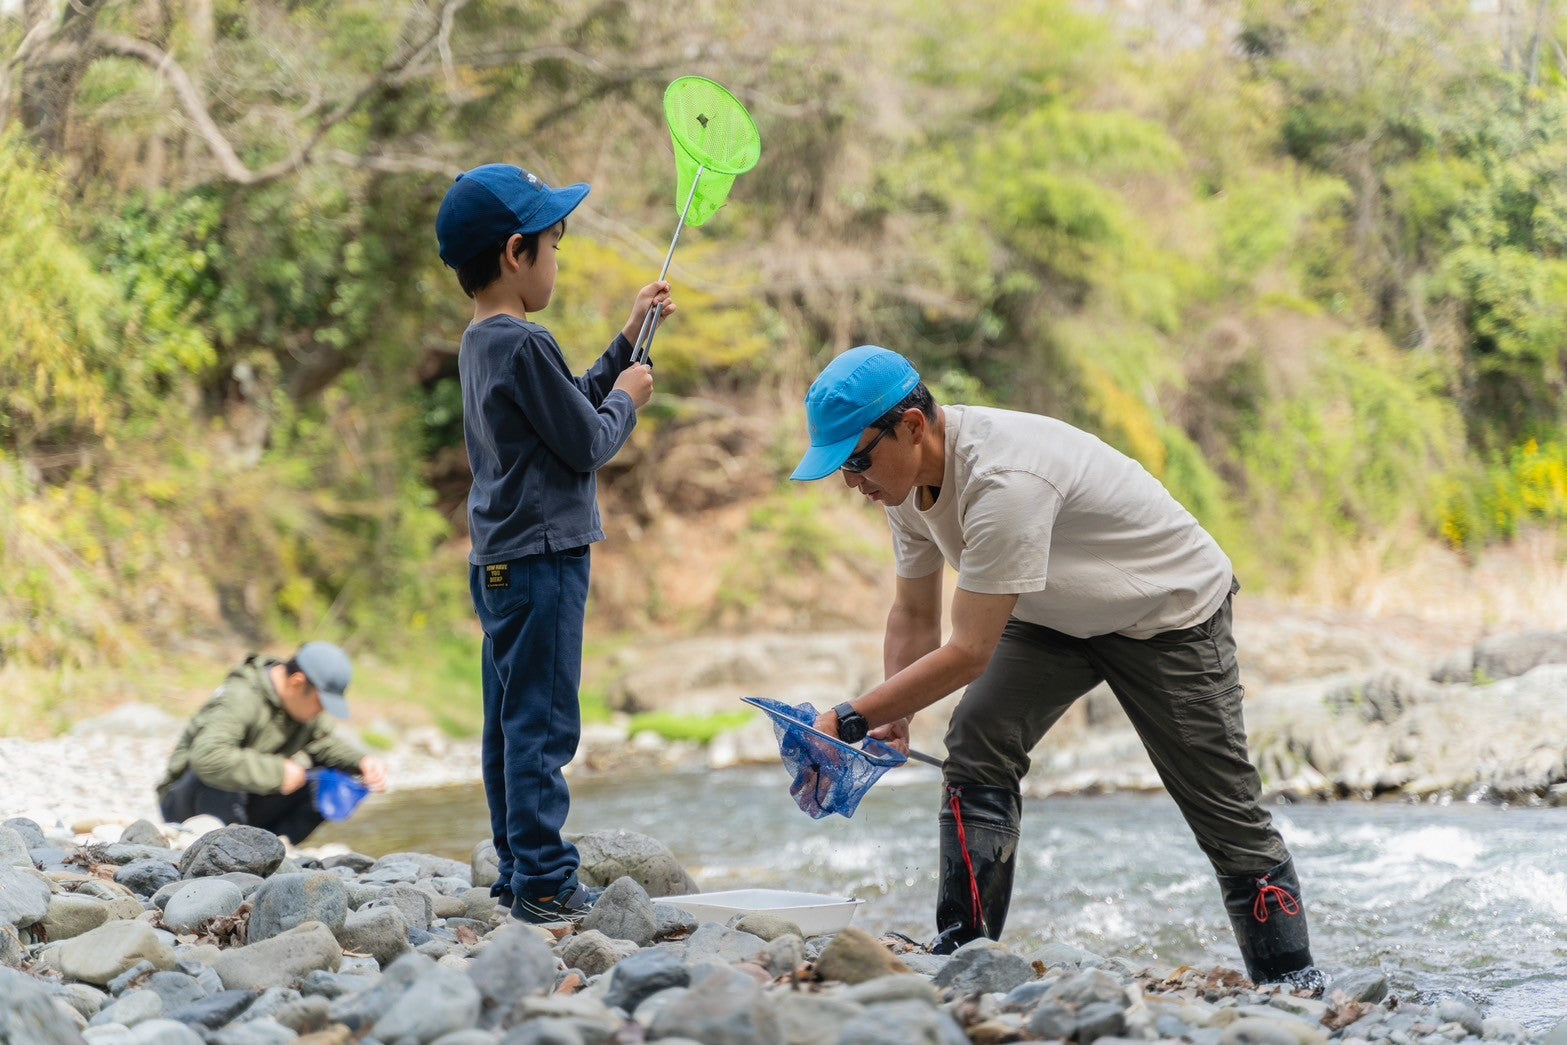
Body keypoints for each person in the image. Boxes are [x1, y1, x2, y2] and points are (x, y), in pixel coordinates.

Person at [790, 345, 1324, 991]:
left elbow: (968, 650)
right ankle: (965, 950)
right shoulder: (901, 485)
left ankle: (1292, 986)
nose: (852, 481)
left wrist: (846, 717)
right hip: (1052, 613)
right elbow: (912, 614)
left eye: (855, 458)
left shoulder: (1002, 478)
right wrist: (893, 717)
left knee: (1222, 809)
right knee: (977, 738)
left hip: (1167, 614)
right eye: (840, 466)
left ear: (911, 425)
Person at [435, 164, 668, 924]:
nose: (556, 261)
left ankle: (517, 867)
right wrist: (629, 401)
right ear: (515, 252)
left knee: (510, 718)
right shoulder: (523, 344)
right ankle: (542, 880)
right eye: (554, 245)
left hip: (498, 559)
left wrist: (629, 338)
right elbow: (589, 440)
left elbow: (566, 408)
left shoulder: (484, 342)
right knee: (542, 721)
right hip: (544, 559)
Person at [157, 641, 387, 843]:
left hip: (244, 800)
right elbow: (208, 756)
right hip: (188, 798)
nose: (323, 711)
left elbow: (323, 743)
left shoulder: (301, 709)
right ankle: (233, 850)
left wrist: (362, 762)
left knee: (322, 783)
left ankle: (273, 848)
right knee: (224, 772)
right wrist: (277, 772)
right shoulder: (242, 697)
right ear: (297, 683)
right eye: (321, 702)